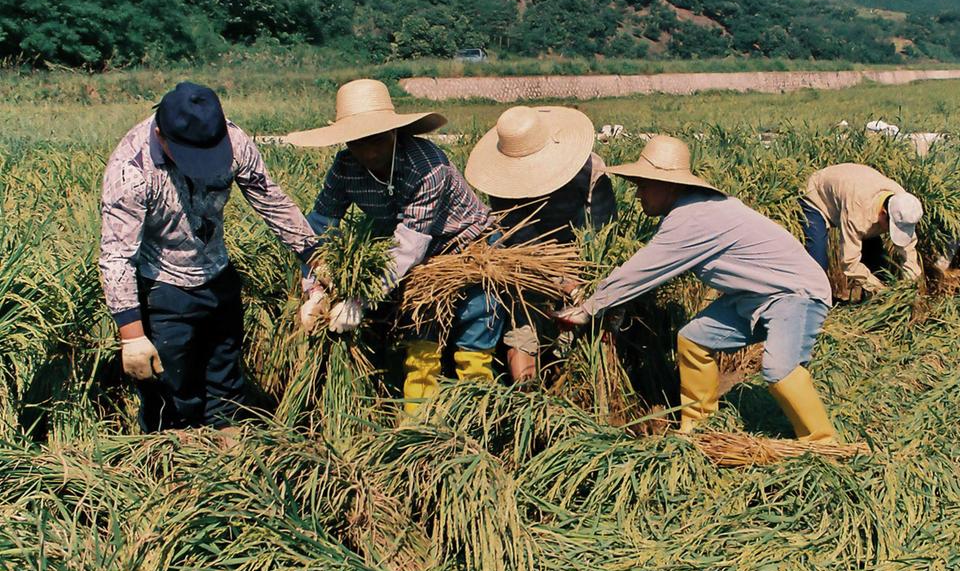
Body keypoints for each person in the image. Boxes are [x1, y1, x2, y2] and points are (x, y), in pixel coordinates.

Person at [554, 135, 837, 442]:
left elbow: (640, 271)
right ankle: (698, 428)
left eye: (644, 185)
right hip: (753, 297)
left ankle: (823, 443)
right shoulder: (688, 211)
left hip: (794, 294)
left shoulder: (692, 217)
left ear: (669, 185)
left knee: (780, 370)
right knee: (694, 339)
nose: (638, 194)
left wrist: (588, 309)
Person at [100, 82, 318, 433]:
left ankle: (230, 455)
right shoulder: (131, 170)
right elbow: (116, 256)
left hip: (218, 275)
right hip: (164, 287)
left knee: (226, 383)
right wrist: (132, 336)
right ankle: (173, 458)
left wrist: (315, 258)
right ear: (161, 135)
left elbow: (271, 201)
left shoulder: (232, 141)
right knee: (173, 397)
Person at [285, 79, 501, 413]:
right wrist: (315, 288)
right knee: (421, 339)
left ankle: (478, 416)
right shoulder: (345, 167)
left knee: (473, 334)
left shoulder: (426, 166)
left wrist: (362, 298)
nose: (369, 152)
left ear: (394, 132)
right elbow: (321, 225)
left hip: (468, 248)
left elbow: (408, 246)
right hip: (418, 259)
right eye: (358, 142)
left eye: (376, 139)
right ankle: (418, 422)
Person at [464, 105, 616, 382]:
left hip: (578, 255)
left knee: (587, 321)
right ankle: (527, 396)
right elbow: (519, 240)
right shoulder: (502, 181)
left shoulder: (591, 170)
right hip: (526, 260)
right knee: (524, 322)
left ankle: (575, 377)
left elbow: (600, 232)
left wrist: (579, 282)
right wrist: (557, 279)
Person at [801, 163, 923, 300]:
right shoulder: (857, 212)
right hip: (817, 195)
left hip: (855, 190)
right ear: (883, 214)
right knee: (818, 261)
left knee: (879, 264)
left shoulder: (903, 203)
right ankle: (813, 302)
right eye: (891, 227)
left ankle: (872, 303)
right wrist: (879, 289)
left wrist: (911, 288)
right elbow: (849, 263)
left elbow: (908, 249)